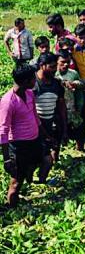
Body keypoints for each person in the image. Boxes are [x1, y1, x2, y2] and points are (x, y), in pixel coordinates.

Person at [0, 65, 43, 206]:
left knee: (34, 164)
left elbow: (34, 115)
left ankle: (28, 181)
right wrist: (7, 159)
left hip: (34, 140)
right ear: (25, 81)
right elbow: (3, 131)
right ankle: (12, 207)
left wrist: (44, 134)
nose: (35, 81)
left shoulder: (29, 93)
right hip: (19, 146)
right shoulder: (8, 101)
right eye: (33, 79)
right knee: (16, 181)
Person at [33, 53, 67, 182]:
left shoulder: (56, 84)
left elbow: (61, 107)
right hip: (34, 128)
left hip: (49, 125)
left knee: (47, 159)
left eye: (55, 66)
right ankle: (30, 181)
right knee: (33, 159)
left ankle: (41, 182)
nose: (55, 70)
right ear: (42, 66)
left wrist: (63, 128)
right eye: (52, 67)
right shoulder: (32, 83)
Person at [55, 50, 84, 149]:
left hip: (71, 108)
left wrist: (79, 107)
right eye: (63, 62)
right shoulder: (53, 74)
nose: (66, 64)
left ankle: (80, 149)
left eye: (68, 61)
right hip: (57, 110)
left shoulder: (73, 73)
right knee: (58, 133)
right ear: (57, 62)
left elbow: (79, 92)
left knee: (78, 130)